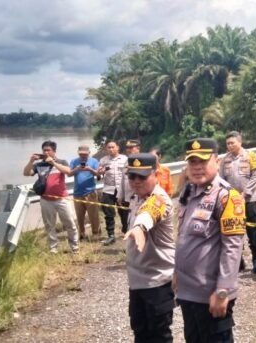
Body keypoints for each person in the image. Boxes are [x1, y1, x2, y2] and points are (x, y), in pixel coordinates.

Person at [174, 138, 245, 342]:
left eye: (203, 162)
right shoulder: (189, 192)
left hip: (211, 295)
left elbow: (232, 248)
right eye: (192, 162)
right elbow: (185, 238)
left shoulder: (226, 197)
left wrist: (223, 291)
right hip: (188, 293)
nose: (197, 168)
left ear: (217, 161)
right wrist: (177, 272)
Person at [122, 153, 176, 342]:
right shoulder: (136, 198)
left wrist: (139, 228)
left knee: (159, 335)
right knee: (140, 332)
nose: (136, 181)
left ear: (155, 174)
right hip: (137, 281)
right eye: (132, 176)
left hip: (157, 282)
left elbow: (149, 214)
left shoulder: (160, 198)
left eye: (142, 177)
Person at [22, 140, 80, 254]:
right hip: (46, 200)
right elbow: (26, 173)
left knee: (70, 224)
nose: (46, 152)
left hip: (62, 199)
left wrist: (53, 163)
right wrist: (31, 161)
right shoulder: (39, 165)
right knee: (49, 225)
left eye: (48, 150)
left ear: (54, 151)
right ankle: (53, 248)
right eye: (44, 150)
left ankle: (75, 247)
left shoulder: (62, 161)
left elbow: (68, 172)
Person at [219, 131, 256, 273]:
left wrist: (246, 193)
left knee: (253, 230)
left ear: (240, 142)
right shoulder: (225, 160)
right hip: (232, 203)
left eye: (232, 142)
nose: (230, 145)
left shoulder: (250, 156)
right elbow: (221, 179)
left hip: (249, 199)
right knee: (235, 230)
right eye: (227, 143)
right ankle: (239, 260)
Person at [98, 141, 128, 246]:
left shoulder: (125, 159)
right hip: (108, 189)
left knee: (124, 212)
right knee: (108, 213)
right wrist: (100, 172)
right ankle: (111, 235)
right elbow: (98, 176)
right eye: (109, 147)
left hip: (121, 189)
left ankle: (126, 231)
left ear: (117, 148)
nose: (111, 149)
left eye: (113, 147)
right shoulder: (103, 160)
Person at [69, 145, 101, 241]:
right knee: (79, 216)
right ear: (78, 153)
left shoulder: (94, 161)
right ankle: (82, 234)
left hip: (90, 192)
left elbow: (98, 174)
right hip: (77, 193)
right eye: (81, 154)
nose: (83, 156)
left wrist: (90, 169)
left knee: (93, 215)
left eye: (85, 154)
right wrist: (77, 169)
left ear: (89, 153)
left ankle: (96, 233)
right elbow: (69, 173)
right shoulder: (74, 161)